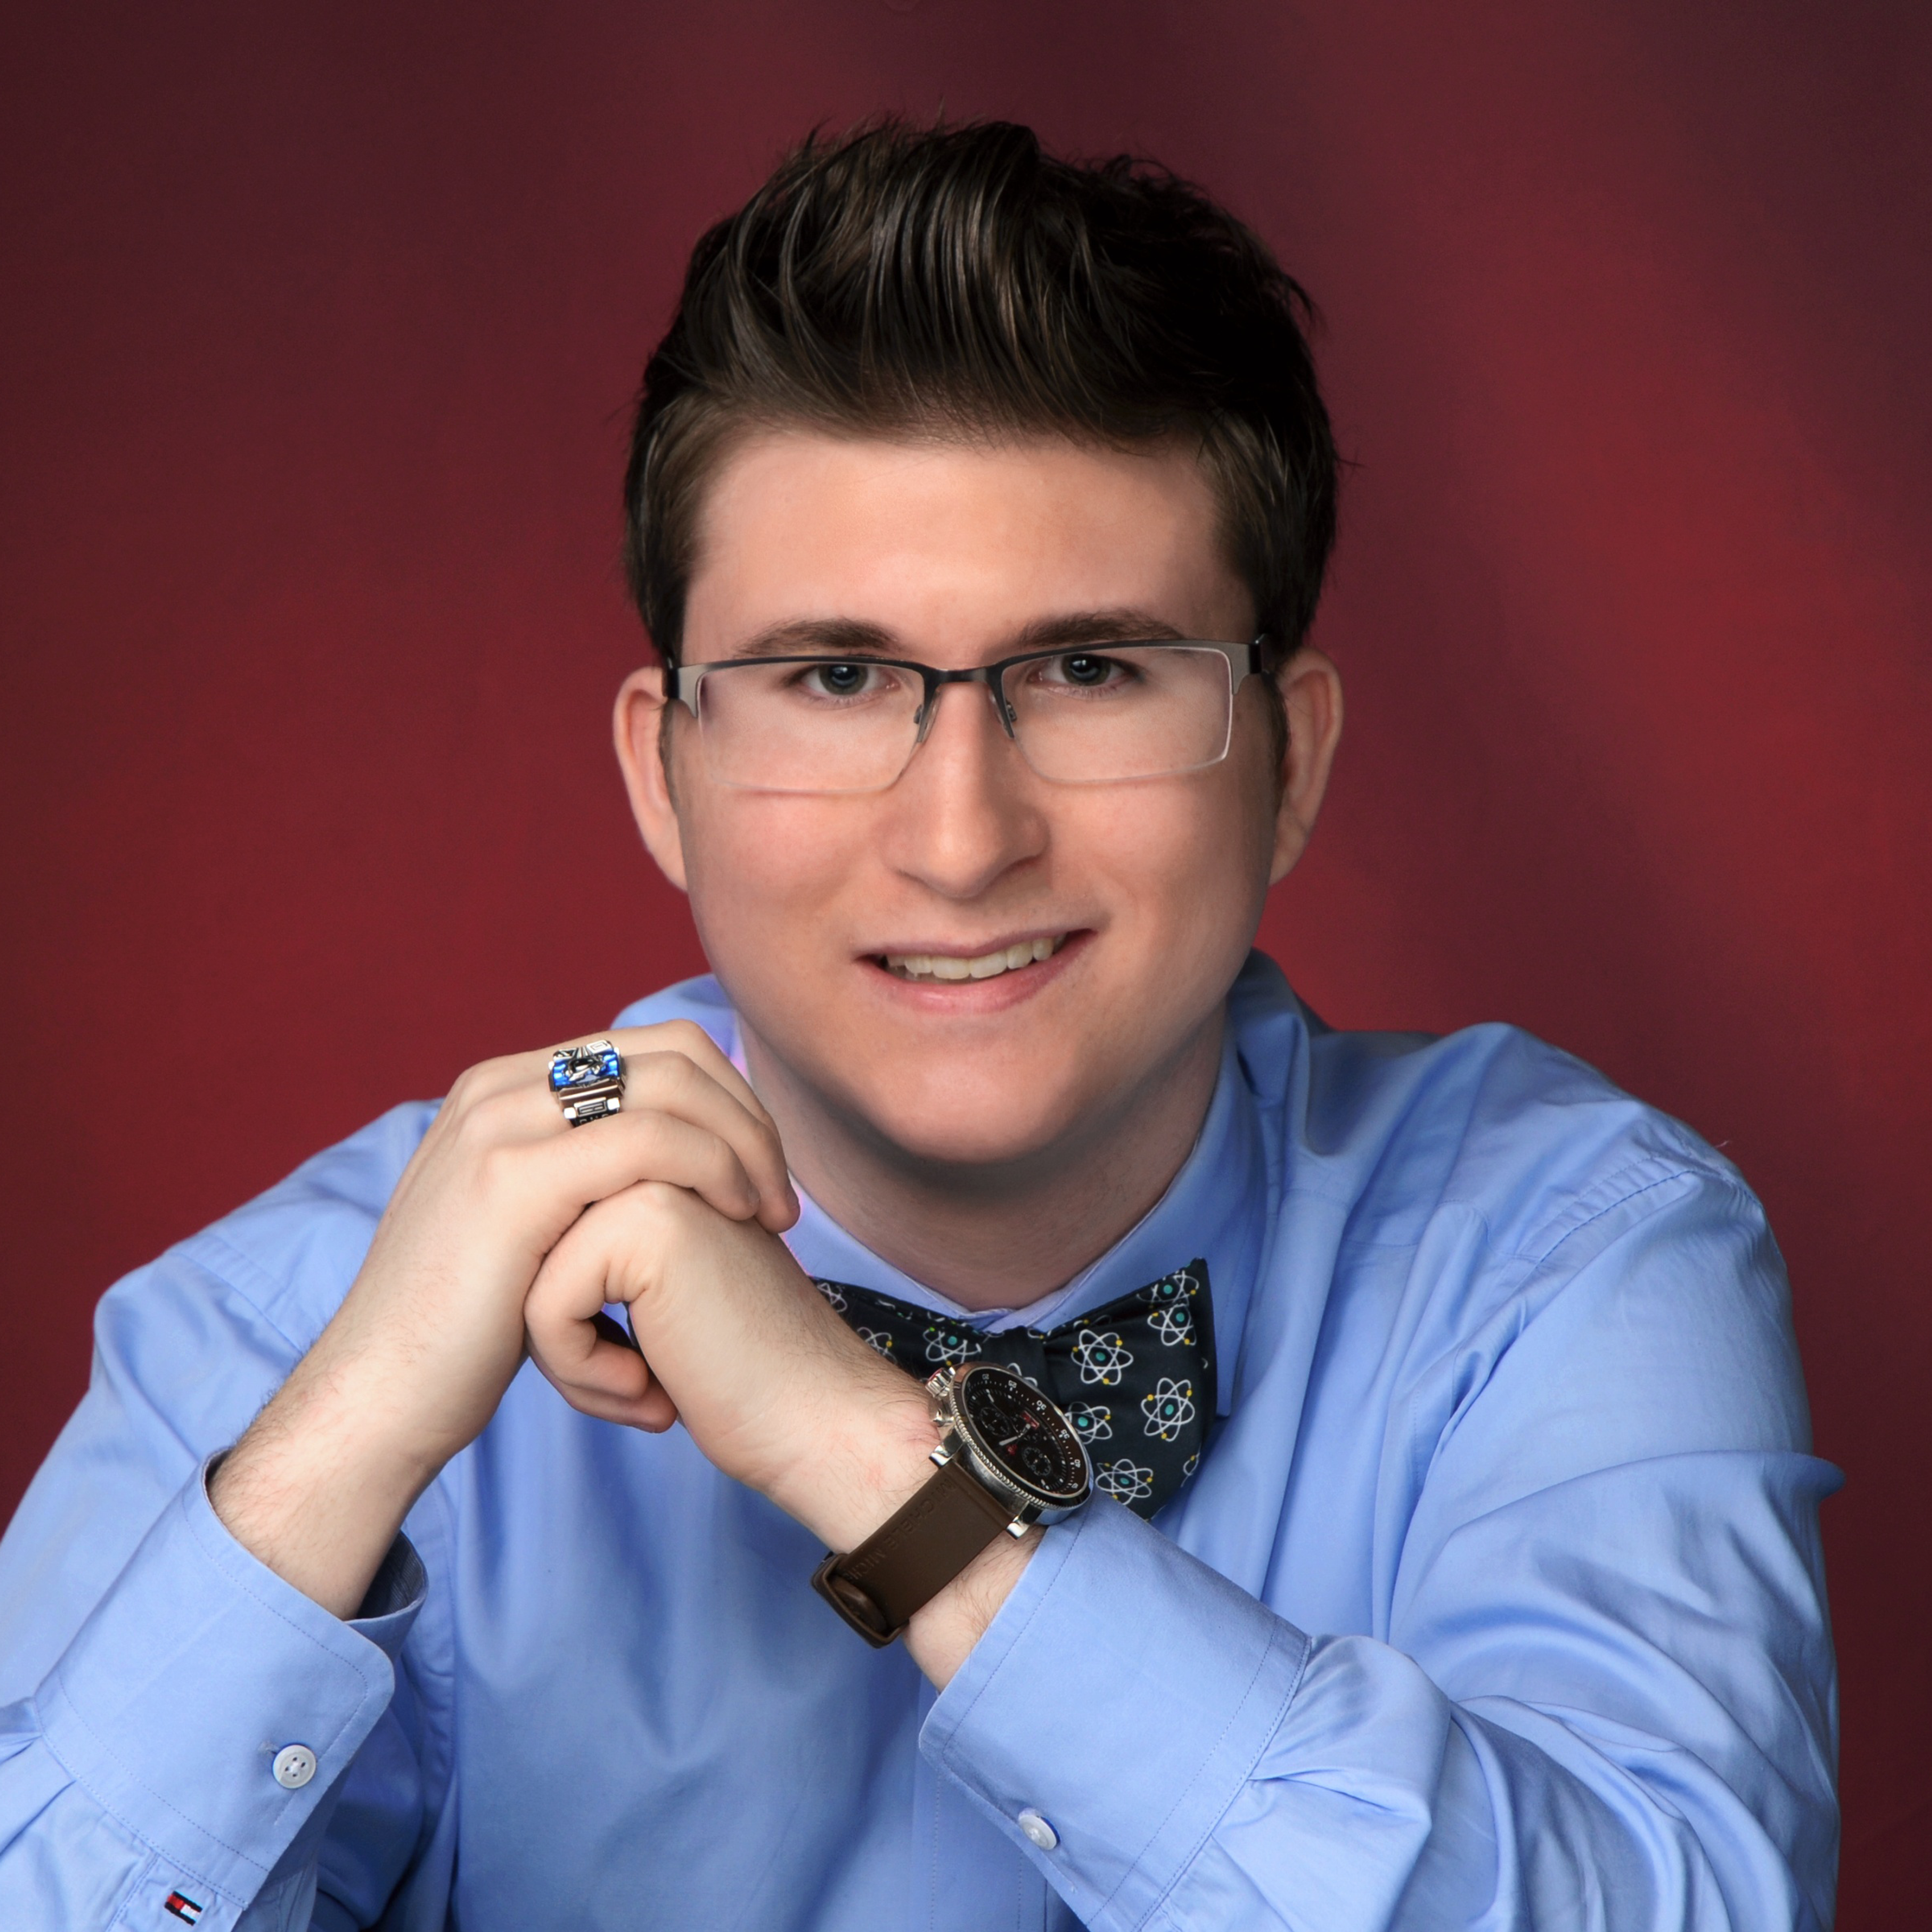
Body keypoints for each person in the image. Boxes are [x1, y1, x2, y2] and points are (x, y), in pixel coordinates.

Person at [0, 119, 1837, 1931]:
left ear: (1290, 766)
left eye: (1093, 669)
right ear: (666, 773)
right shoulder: (290, 1323)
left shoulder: (1568, 1253)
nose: (961, 839)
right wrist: (337, 1454)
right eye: (835, 676)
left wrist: (873, 1460)